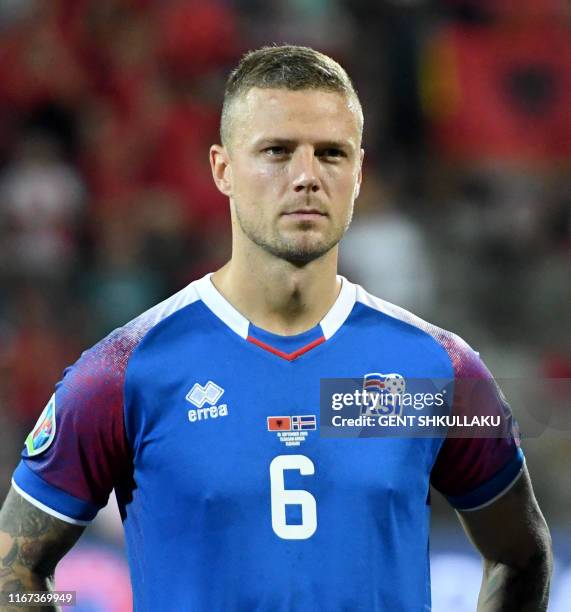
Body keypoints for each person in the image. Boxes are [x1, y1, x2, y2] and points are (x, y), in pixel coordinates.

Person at [0, 45, 552, 611]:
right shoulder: (124, 372)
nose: (307, 177)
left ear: (359, 173)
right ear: (223, 169)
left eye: (331, 154)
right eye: (277, 151)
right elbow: (13, 571)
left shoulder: (435, 371)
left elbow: (520, 554)